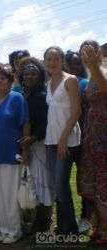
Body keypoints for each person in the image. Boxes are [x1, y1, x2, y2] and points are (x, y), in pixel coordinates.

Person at [0, 63, 30, 244]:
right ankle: (4, 230)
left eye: (3, 78)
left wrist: (25, 150)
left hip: (11, 154)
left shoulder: (17, 98)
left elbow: (25, 123)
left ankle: (15, 231)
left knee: (11, 194)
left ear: (10, 80)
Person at [44, 46, 81, 236]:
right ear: (45, 62)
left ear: (61, 60)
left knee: (60, 184)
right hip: (51, 140)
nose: (52, 63)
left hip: (67, 139)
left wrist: (64, 138)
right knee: (58, 185)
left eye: (55, 59)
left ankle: (71, 230)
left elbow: (76, 111)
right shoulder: (48, 83)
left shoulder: (70, 80)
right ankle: (63, 227)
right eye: (48, 59)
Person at [17, 57, 53, 233]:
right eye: (27, 74)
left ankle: (44, 220)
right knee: (34, 182)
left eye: (34, 74)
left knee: (42, 180)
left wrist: (33, 138)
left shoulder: (42, 96)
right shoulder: (25, 96)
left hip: (40, 144)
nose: (30, 77)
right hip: (29, 145)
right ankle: (37, 219)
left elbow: (46, 122)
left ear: (40, 77)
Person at [78, 40, 107, 244]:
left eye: (90, 50)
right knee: (96, 181)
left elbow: (104, 88)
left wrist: (94, 65)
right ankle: (99, 224)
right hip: (92, 135)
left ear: (98, 54)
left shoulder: (102, 71)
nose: (86, 55)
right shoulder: (89, 76)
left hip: (104, 135)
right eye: (83, 52)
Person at [65, 50, 90, 233]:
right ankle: (69, 219)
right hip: (67, 138)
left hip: (85, 137)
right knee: (64, 181)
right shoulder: (63, 82)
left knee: (84, 180)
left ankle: (86, 216)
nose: (75, 66)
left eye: (77, 63)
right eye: (71, 63)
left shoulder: (85, 83)